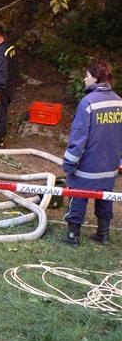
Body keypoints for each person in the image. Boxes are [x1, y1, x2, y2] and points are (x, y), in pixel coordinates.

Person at [63, 59, 122, 247]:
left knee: (78, 196)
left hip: (87, 166)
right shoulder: (119, 102)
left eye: (87, 76)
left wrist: (70, 164)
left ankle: (73, 236)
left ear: (95, 79)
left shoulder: (88, 102)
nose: (84, 79)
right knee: (105, 197)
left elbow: (79, 137)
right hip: (110, 167)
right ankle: (103, 234)